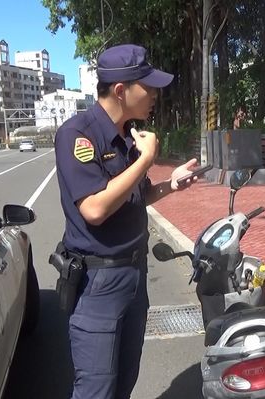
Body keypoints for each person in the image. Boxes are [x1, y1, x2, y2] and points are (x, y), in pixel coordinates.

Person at [54, 44, 199, 399]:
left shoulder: (126, 136)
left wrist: (170, 184)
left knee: (124, 380)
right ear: (121, 90)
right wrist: (146, 159)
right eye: (147, 87)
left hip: (135, 275)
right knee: (96, 389)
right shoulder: (78, 135)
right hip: (98, 282)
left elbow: (135, 195)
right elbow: (94, 209)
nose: (155, 95)